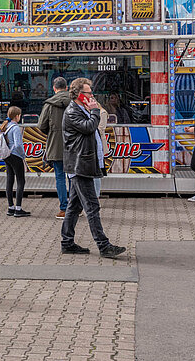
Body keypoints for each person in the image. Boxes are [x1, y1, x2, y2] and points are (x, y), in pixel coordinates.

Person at [59, 77, 126, 259]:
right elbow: (89, 128)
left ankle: (67, 242)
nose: (92, 96)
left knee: (74, 206)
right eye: (89, 93)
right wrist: (96, 111)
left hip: (84, 162)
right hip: (80, 165)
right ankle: (104, 246)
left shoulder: (81, 109)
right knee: (92, 206)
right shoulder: (73, 111)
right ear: (80, 94)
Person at [37, 77, 71, 218]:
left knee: (60, 178)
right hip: (74, 146)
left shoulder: (49, 104)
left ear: (54, 88)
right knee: (74, 178)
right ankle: (76, 208)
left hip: (56, 146)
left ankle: (64, 208)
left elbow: (41, 126)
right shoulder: (75, 102)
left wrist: (53, 133)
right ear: (67, 87)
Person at [0, 106, 29, 217]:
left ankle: (10, 207)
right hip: (15, 156)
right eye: (19, 115)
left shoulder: (5, 126)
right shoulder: (15, 128)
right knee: (21, 181)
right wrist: (23, 156)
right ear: (17, 116)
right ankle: (18, 208)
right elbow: (18, 145)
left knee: (9, 180)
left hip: (7, 156)